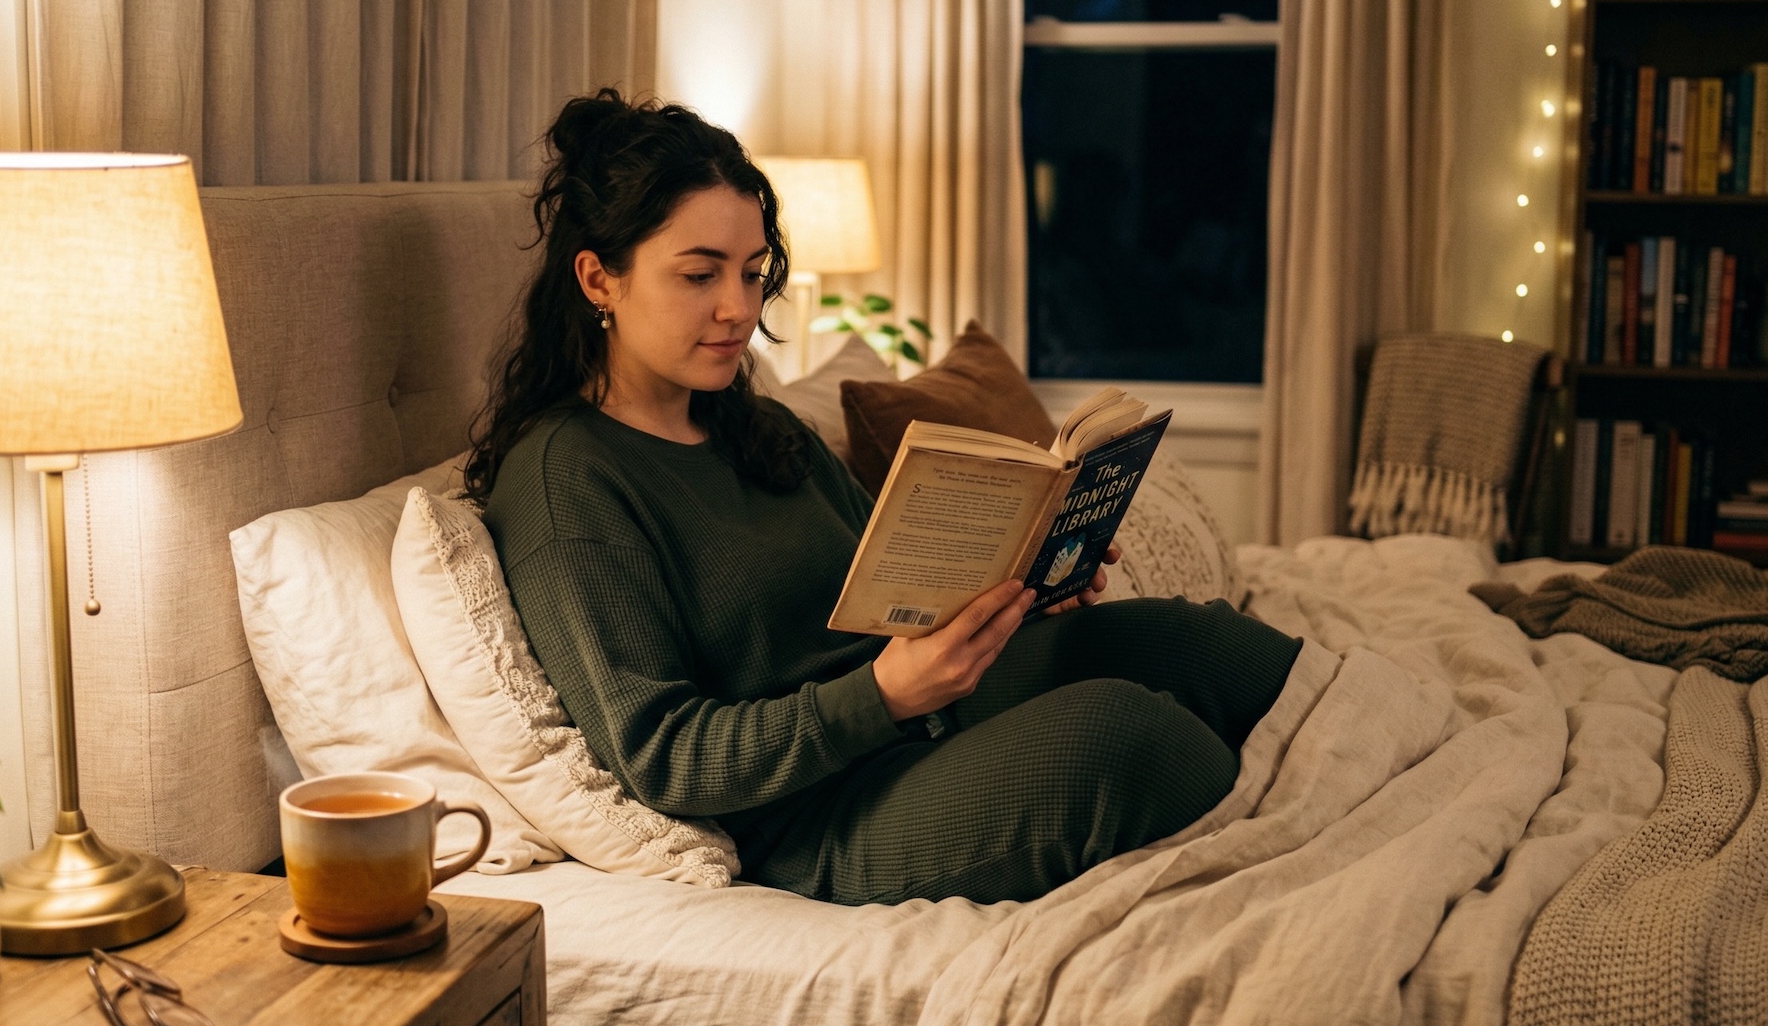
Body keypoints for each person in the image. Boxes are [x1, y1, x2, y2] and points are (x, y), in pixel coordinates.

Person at [468, 90, 1301, 906]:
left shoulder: (758, 427)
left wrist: (1030, 582)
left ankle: (1369, 768)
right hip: (820, 807)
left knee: (1198, 645)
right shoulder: (567, 481)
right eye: (699, 275)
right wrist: (884, 697)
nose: (738, 309)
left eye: (753, 273)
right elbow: (663, 756)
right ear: (597, 279)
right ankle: (1312, 856)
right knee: (1128, 735)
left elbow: (899, 589)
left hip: (919, 712)